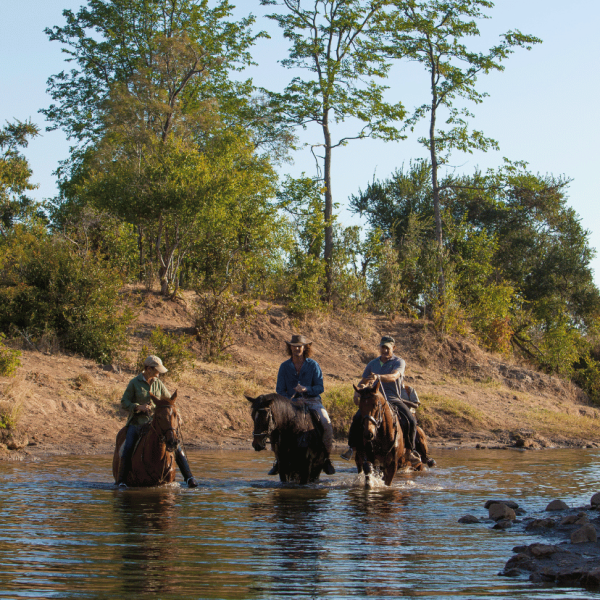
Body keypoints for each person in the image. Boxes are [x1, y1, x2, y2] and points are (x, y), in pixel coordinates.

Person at [117, 355, 199, 488]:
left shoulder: (158, 383)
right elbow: (124, 402)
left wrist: (176, 416)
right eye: (157, 370)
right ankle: (120, 481)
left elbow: (168, 401)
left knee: (176, 446)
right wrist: (138, 407)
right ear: (148, 369)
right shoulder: (134, 383)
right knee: (128, 447)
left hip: (155, 423)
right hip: (137, 423)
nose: (159, 373)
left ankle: (189, 477)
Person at [341, 335, 418, 461]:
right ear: (379, 348)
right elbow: (363, 382)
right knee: (356, 418)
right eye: (383, 347)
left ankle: (410, 451)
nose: (385, 350)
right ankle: (352, 448)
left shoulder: (399, 362)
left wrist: (378, 377)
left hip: (393, 399)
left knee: (410, 420)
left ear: (393, 348)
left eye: (388, 348)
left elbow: (394, 377)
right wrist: (357, 393)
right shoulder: (372, 363)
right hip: (374, 400)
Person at [274, 334, 336, 476]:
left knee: (326, 424)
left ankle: (326, 458)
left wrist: (306, 389)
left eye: (299, 346)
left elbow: (320, 387)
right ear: (290, 347)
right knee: (275, 427)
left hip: (312, 401)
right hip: (290, 404)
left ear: (305, 347)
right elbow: (279, 390)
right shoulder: (284, 366)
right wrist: (290, 401)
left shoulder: (313, 365)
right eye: (294, 346)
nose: (296, 348)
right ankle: (278, 460)